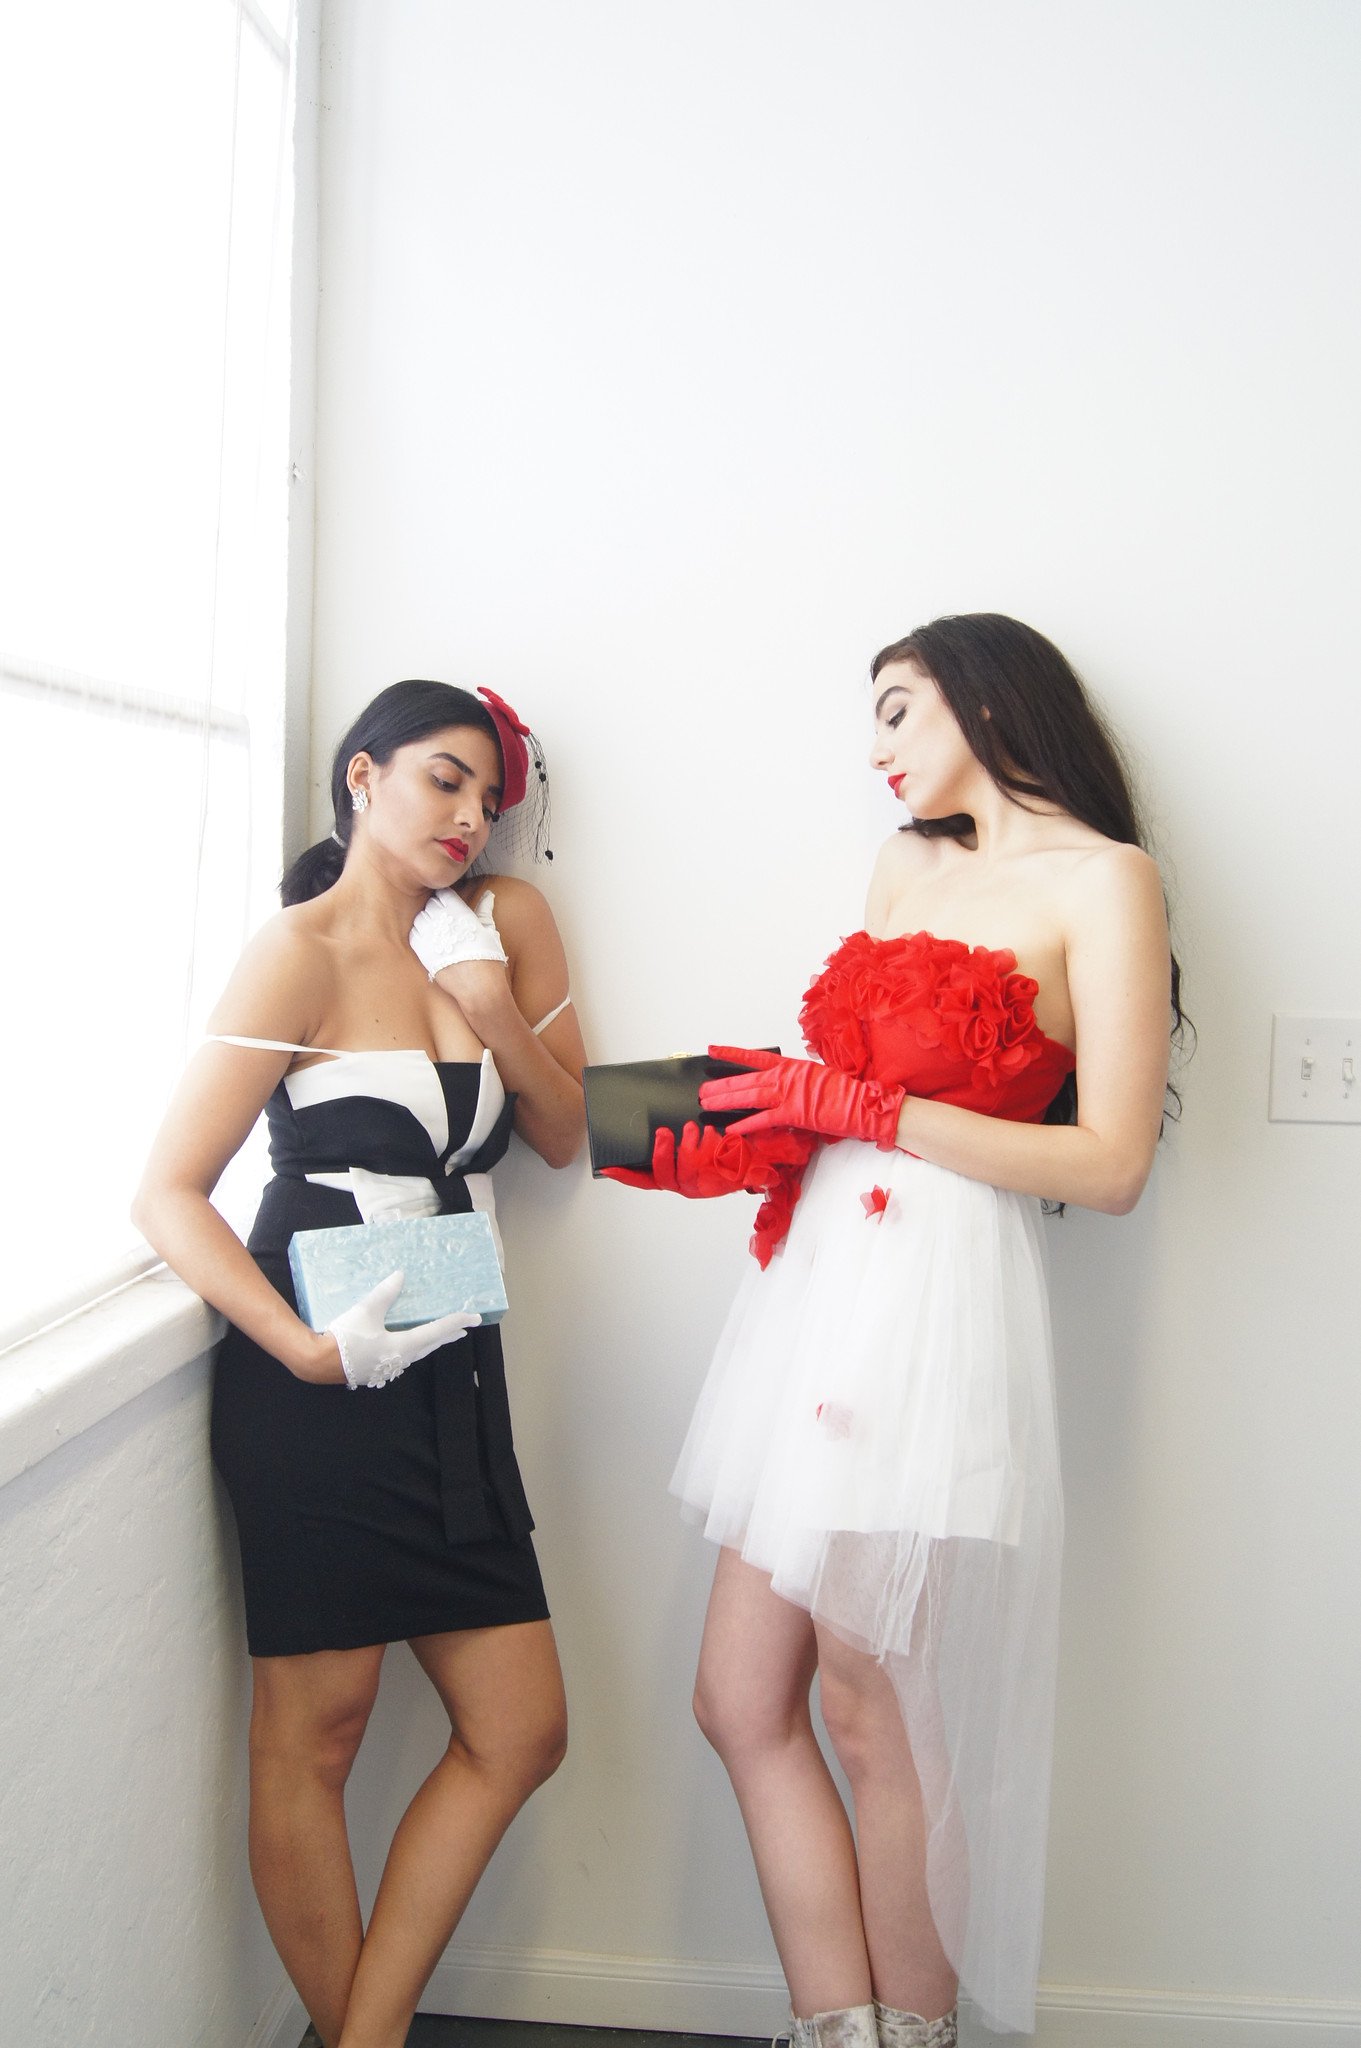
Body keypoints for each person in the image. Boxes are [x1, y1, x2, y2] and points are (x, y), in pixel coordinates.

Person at [607, 614, 1183, 2045]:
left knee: (872, 1709)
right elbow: (847, 1093)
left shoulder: (1105, 881)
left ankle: (908, 2036)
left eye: (895, 709)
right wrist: (764, 1127)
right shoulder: (903, 864)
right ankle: (841, 2027)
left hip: (931, 1302)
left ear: (985, 701)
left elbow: (1111, 1163)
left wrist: (868, 1110)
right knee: (738, 1698)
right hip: (814, 1287)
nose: (872, 748)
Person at [133, 680, 586, 2048]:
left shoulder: (500, 927)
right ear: (363, 776)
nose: (469, 816)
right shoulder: (299, 949)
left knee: (521, 1729)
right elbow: (166, 1193)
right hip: (316, 1376)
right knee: (316, 1733)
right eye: (444, 779)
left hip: (457, 1365)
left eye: (489, 798)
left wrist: (486, 998)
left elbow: (569, 1130)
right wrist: (297, 1347)